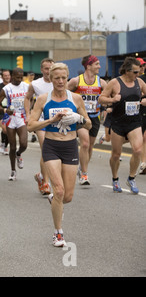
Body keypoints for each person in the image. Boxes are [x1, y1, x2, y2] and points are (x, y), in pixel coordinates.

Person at [27, 62, 91, 247]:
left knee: (67, 196)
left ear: (67, 78)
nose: (61, 81)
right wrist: (50, 120)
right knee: (59, 190)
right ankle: (58, 233)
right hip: (52, 146)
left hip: (70, 146)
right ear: (51, 79)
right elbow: (31, 125)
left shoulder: (76, 99)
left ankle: (54, 199)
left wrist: (80, 119)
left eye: (63, 77)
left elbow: (89, 125)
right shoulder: (43, 99)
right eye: (57, 78)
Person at [99, 57, 146, 194]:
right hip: (118, 123)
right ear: (127, 71)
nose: (138, 74)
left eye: (139, 72)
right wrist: (112, 99)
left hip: (134, 122)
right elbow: (101, 99)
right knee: (116, 154)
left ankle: (131, 178)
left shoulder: (139, 82)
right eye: (136, 72)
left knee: (137, 150)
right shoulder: (115, 83)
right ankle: (115, 178)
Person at [67, 55, 108, 185]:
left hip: (95, 117)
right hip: (81, 117)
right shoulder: (76, 81)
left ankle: (82, 169)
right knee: (84, 143)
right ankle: (84, 175)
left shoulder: (101, 82)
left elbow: (107, 97)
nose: (99, 66)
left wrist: (106, 106)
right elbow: (64, 94)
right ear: (88, 66)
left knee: (90, 146)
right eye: (97, 64)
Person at [24, 58, 54, 194]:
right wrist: (28, 114)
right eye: (46, 69)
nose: (49, 71)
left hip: (56, 121)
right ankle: (45, 183)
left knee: (52, 152)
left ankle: (41, 176)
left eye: (51, 68)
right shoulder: (35, 84)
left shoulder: (60, 82)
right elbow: (27, 98)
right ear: (42, 70)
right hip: (41, 121)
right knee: (46, 148)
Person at [0, 68, 29, 181]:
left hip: (22, 117)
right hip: (10, 118)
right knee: (12, 147)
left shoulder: (26, 86)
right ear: (12, 76)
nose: (19, 79)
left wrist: (29, 110)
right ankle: (13, 171)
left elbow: (31, 99)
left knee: (24, 144)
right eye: (17, 77)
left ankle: (19, 154)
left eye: (21, 77)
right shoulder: (6, 89)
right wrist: (5, 110)